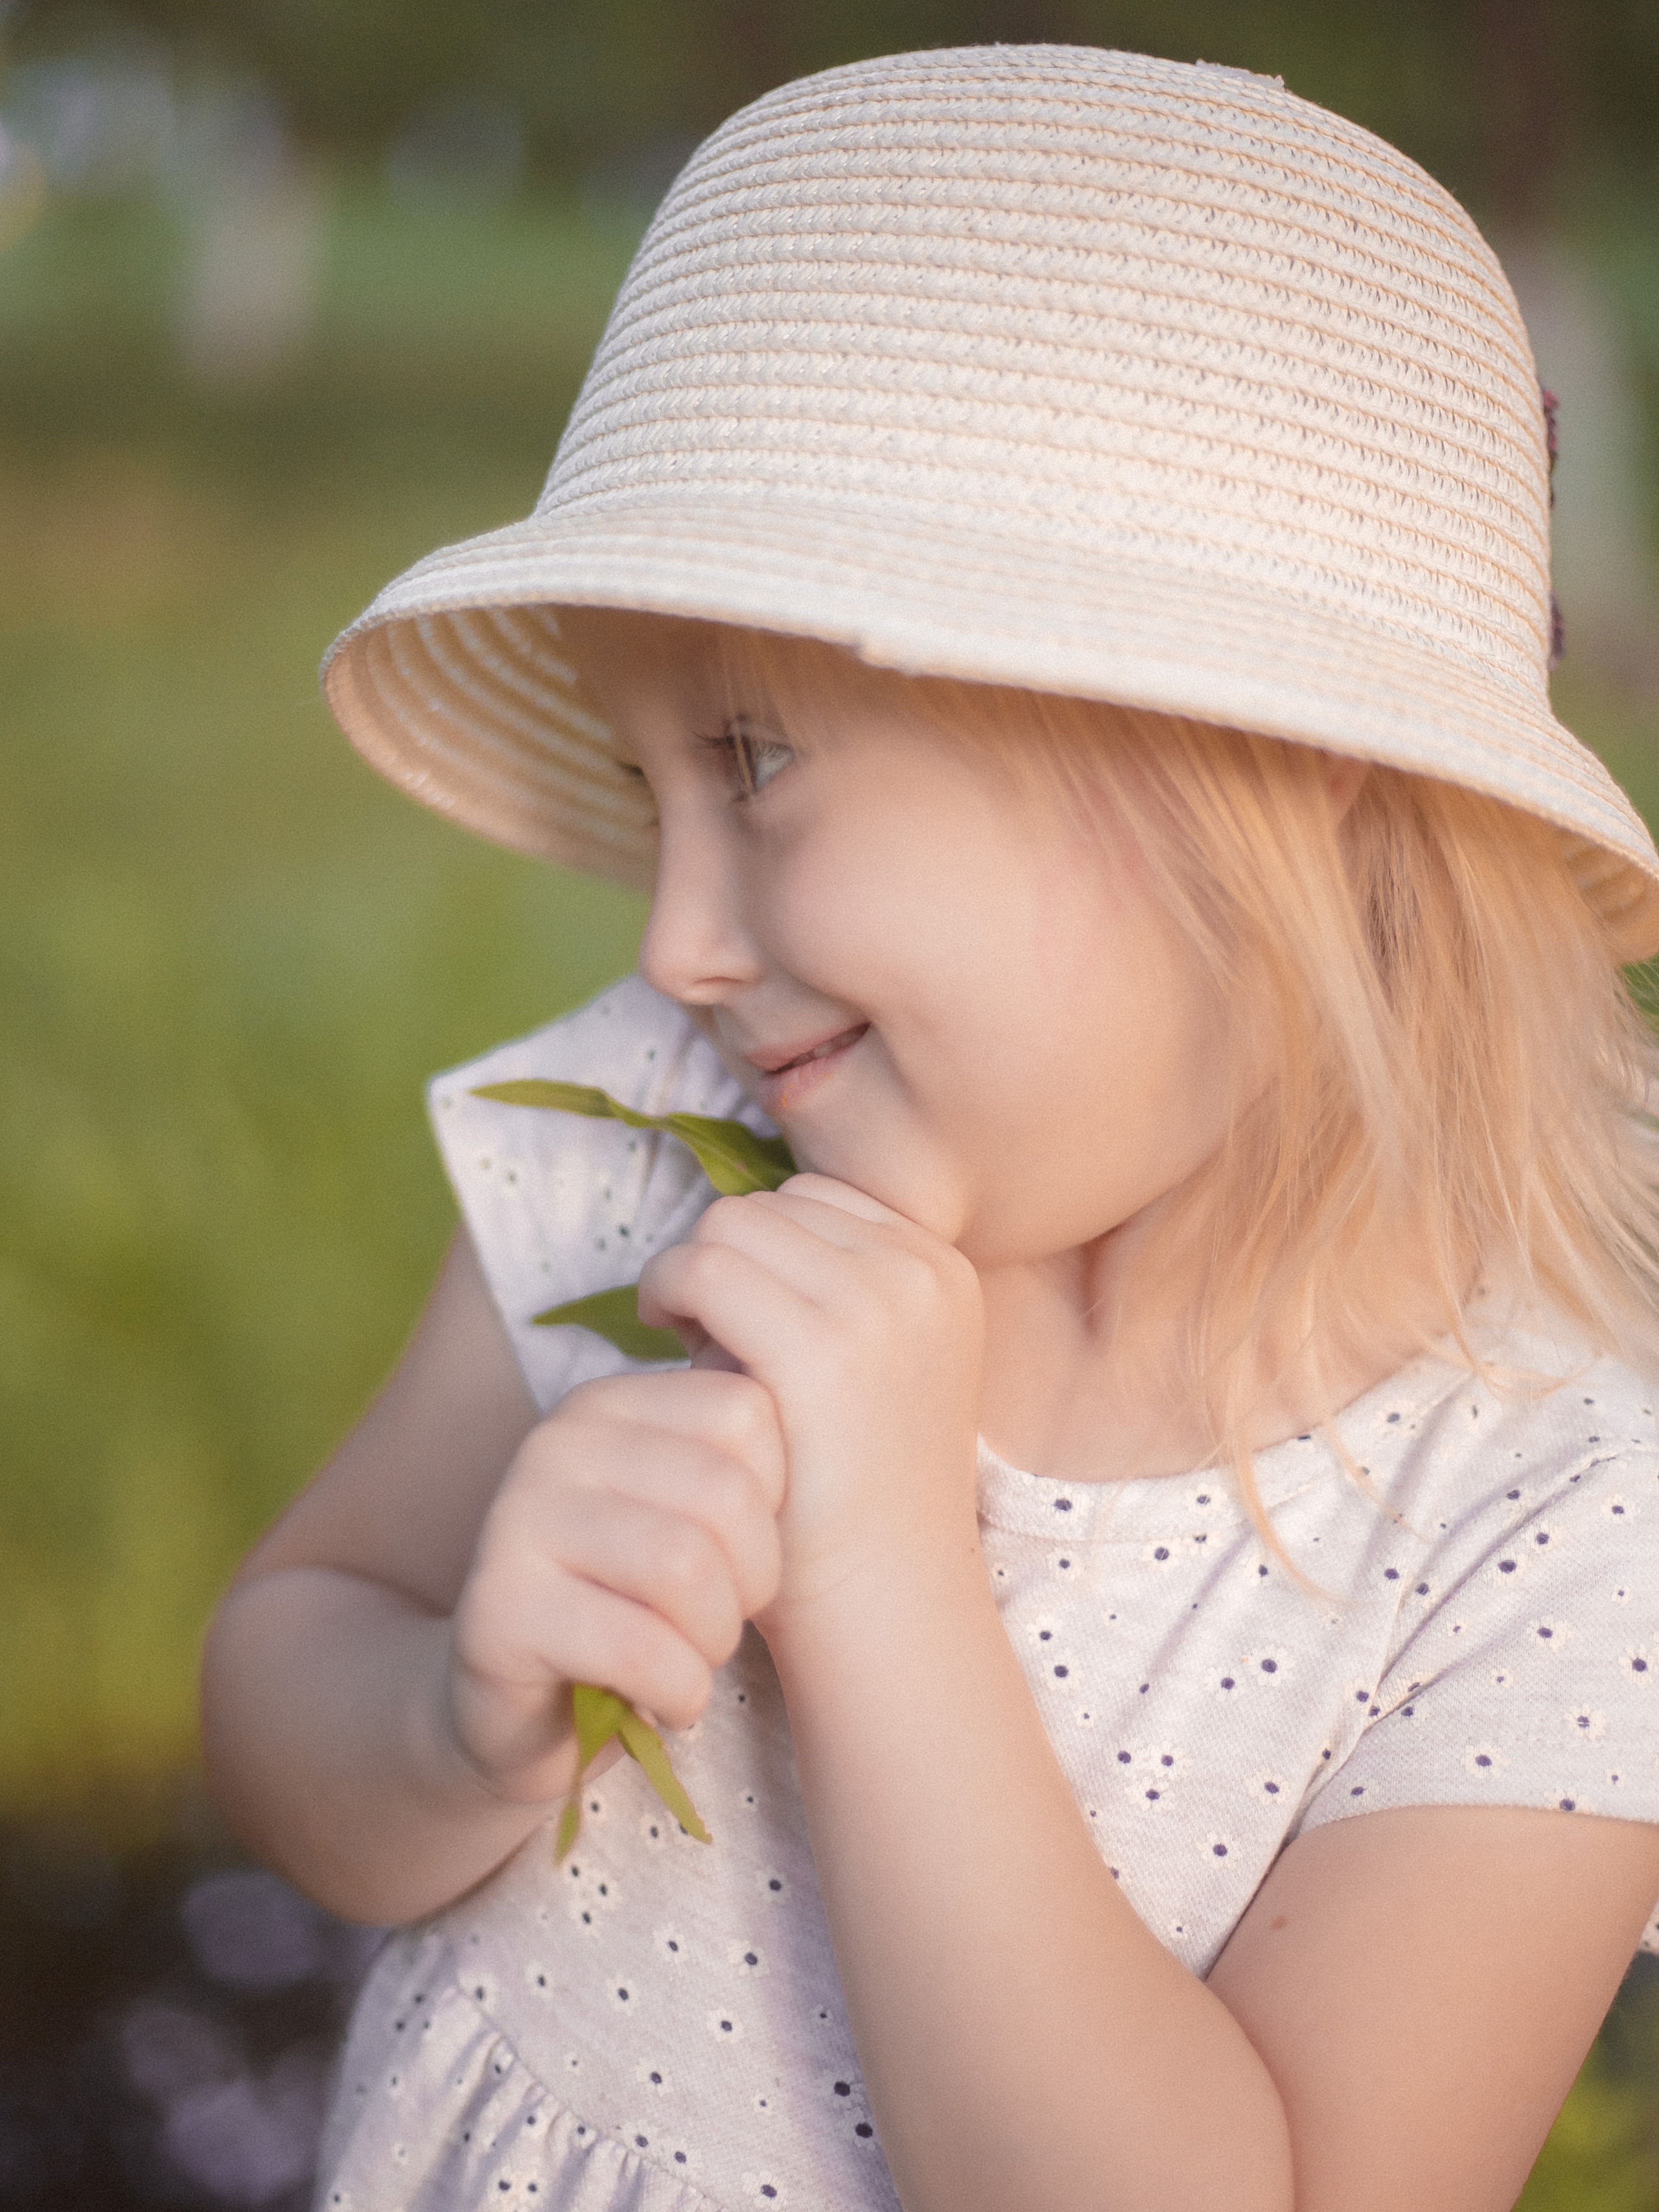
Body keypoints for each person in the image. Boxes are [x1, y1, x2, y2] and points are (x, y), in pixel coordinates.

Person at [201, 44, 1659, 2212]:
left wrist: (884, 1576)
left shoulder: (1547, 1530)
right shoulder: (645, 1135)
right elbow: (297, 1644)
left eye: (759, 760)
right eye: (650, 793)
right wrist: (445, 1727)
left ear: (1253, 762)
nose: (680, 936)